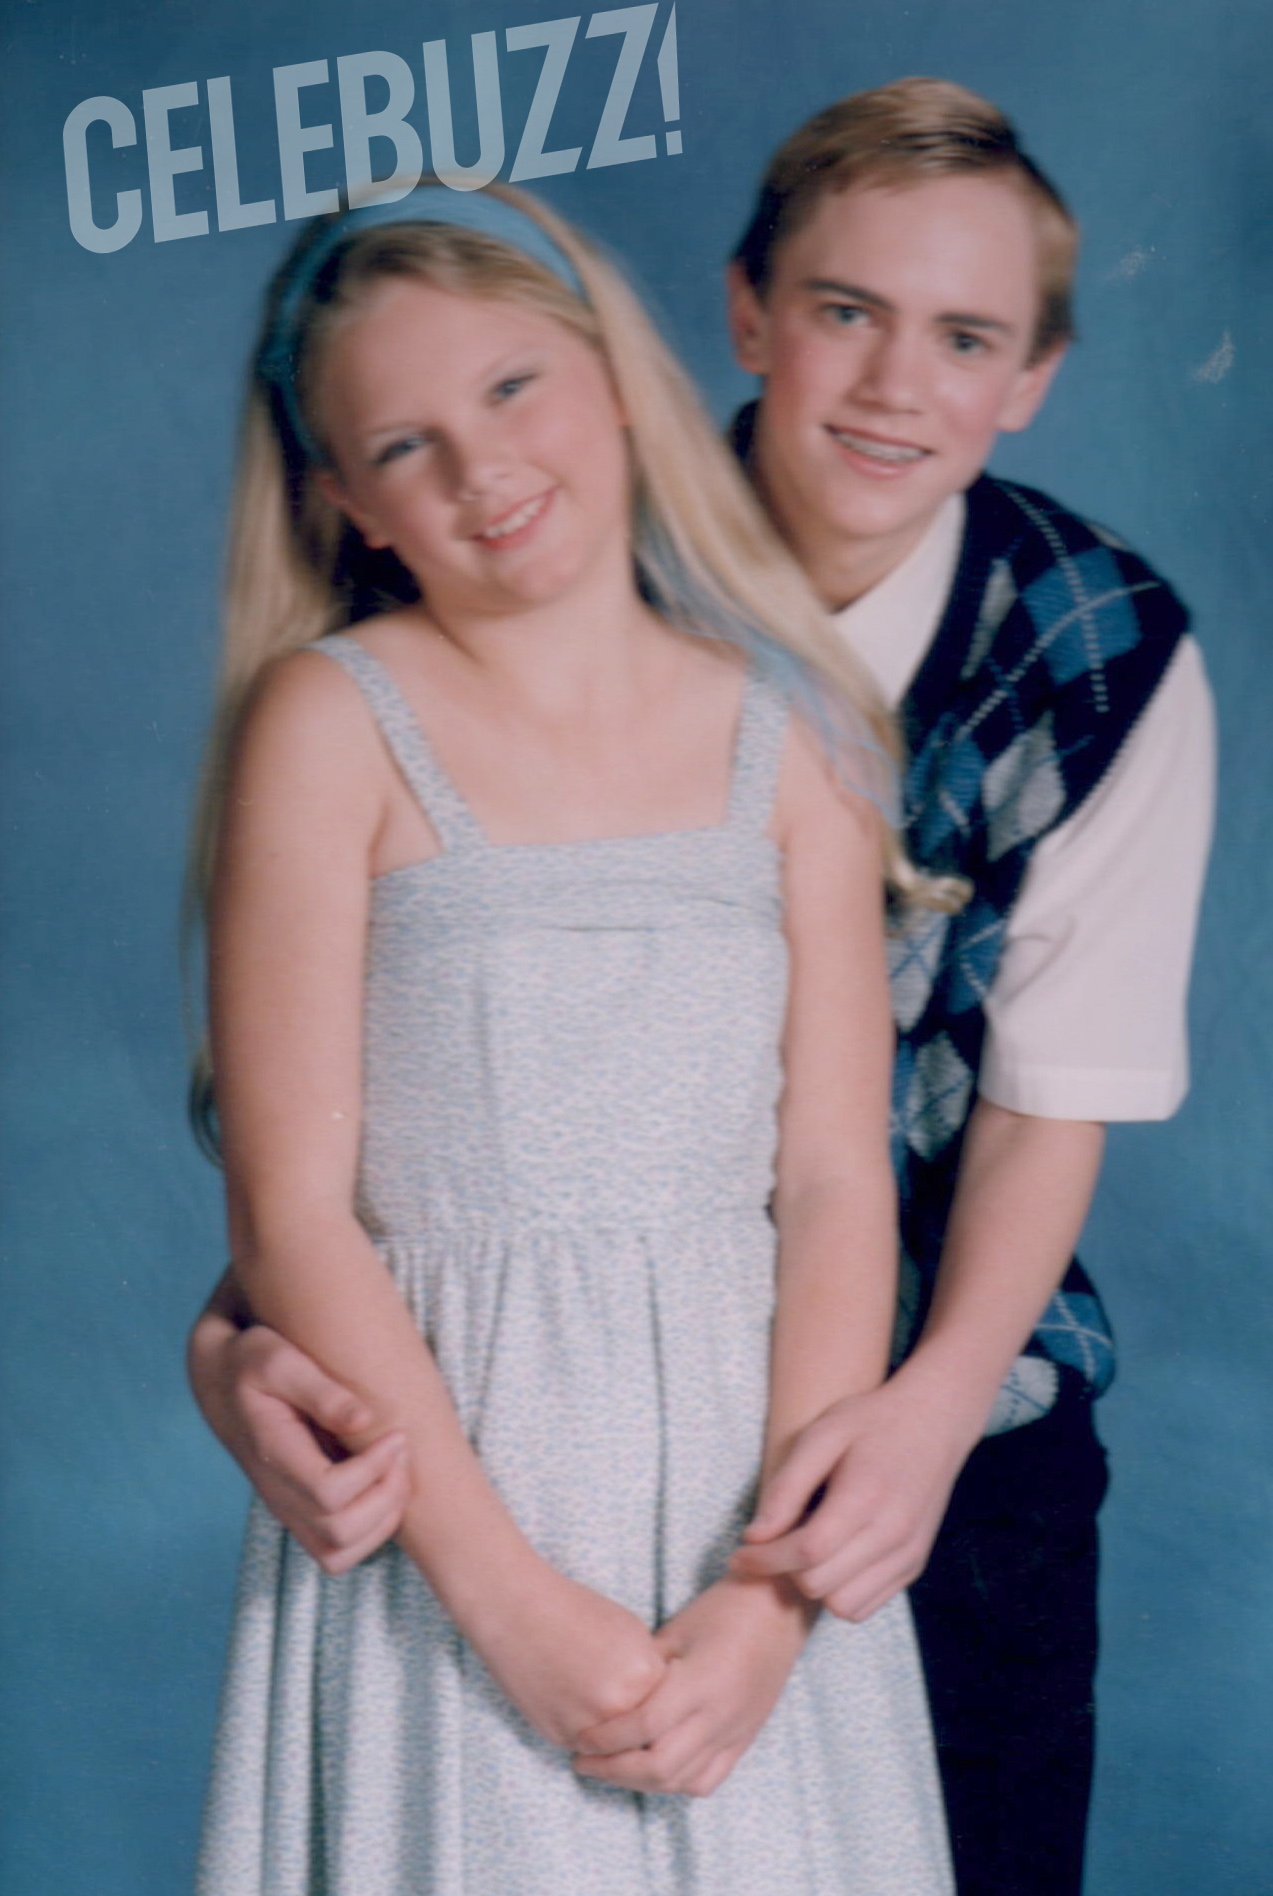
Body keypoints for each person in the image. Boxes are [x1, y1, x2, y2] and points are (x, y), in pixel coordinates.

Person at [189, 81, 1216, 1895]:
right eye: (844, 313)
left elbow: (1006, 1118)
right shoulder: (514, 588)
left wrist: (818, 1539)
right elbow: (341, 1164)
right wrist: (237, 1351)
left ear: (1032, 369)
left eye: (964, 335)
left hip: (899, 1435)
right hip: (492, 1468)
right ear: (731, 323)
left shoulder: (1077, 657)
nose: (896, 384)